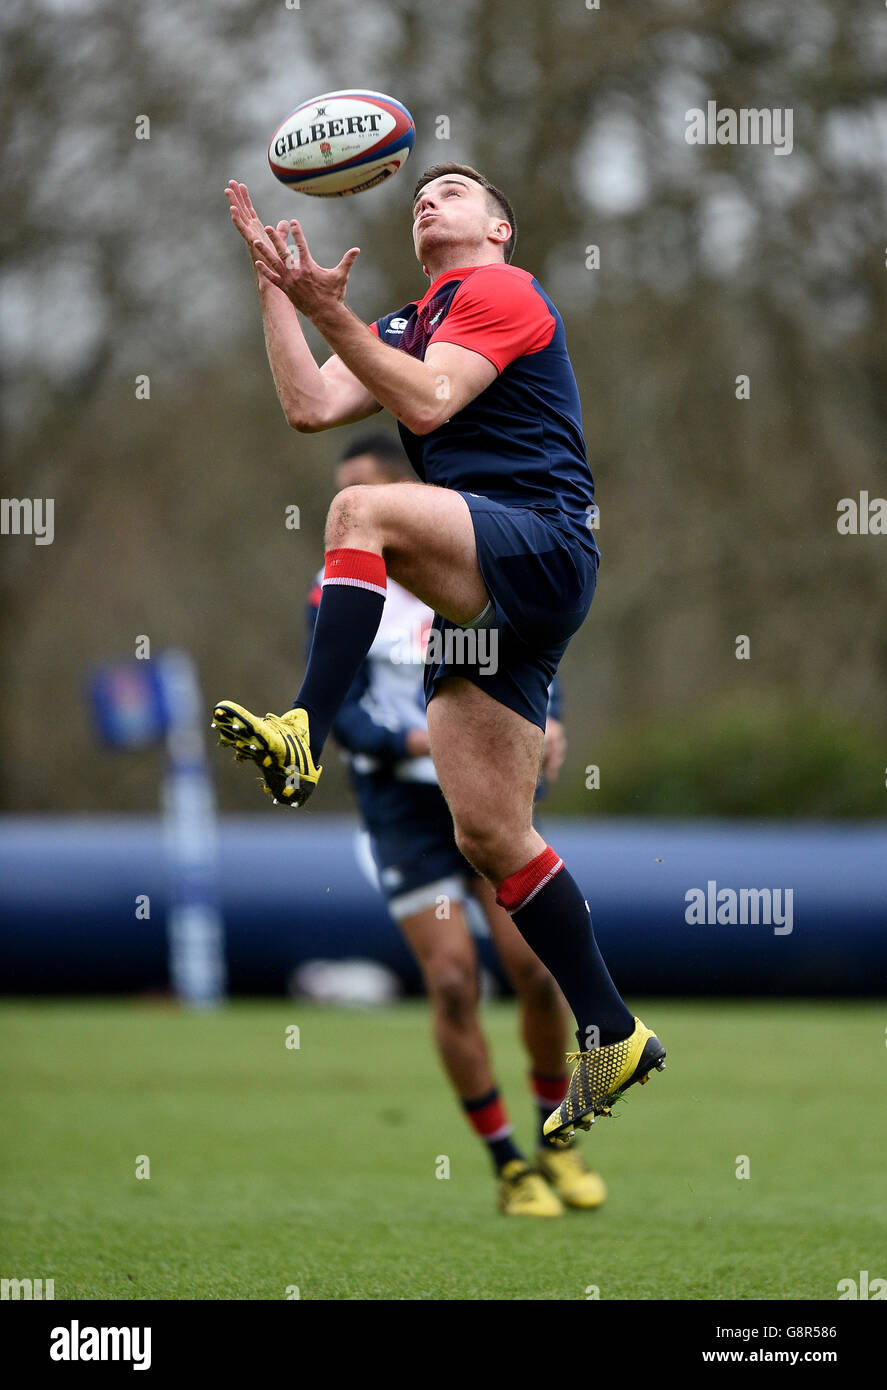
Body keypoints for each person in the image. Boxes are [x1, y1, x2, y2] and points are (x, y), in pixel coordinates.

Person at [212, 163, 665, 1144]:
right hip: (491, 595)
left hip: (537, 544)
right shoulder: (406, 321)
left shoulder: (500, 291)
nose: (430, 197)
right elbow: (308, 404)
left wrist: (332, 316)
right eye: (422, 193)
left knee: (358, 508)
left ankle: (303, 728)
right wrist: (278, 292)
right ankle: (614, 1029)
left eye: (455, 191)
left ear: (498, 229)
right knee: (491, 835)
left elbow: (422, 407)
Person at [308, 432, 605, 1215]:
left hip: (475, 794)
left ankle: (556, 1140)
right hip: (403, 808)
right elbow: (335, 706)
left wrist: (552, 720)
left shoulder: (465, 566)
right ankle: (508, 1165)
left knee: (535, 972)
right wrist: (412, 741)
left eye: (366, 492)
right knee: (449, 982)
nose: (351, 517)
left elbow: (528, 649)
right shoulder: (337, 589)